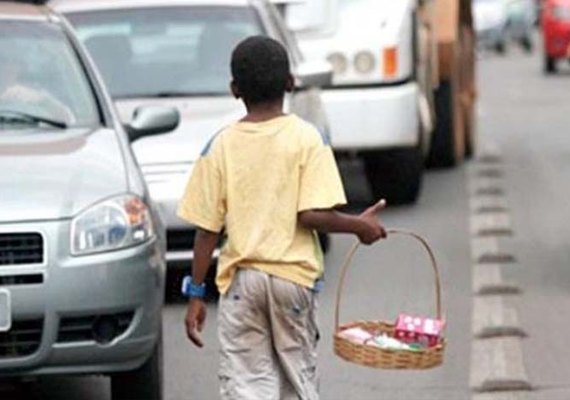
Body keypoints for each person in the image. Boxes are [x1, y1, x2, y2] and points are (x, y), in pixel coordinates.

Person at [177, 36, 387, 400]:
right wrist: (359, 226)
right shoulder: (308, 138)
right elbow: (311, 215)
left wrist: (196, 293)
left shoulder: (220, 145)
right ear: (290, 83)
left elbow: (207, 230)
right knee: (297, 381)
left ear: (234, 89)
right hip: (293, 280)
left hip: (242, 284)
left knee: (247, 385)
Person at [0, 52, 74, 124]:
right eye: (3, 61)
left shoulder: (32, 96)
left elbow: (68, 121)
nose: (7, 67)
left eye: (13, 62)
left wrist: (41, 99)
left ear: (20, 68)